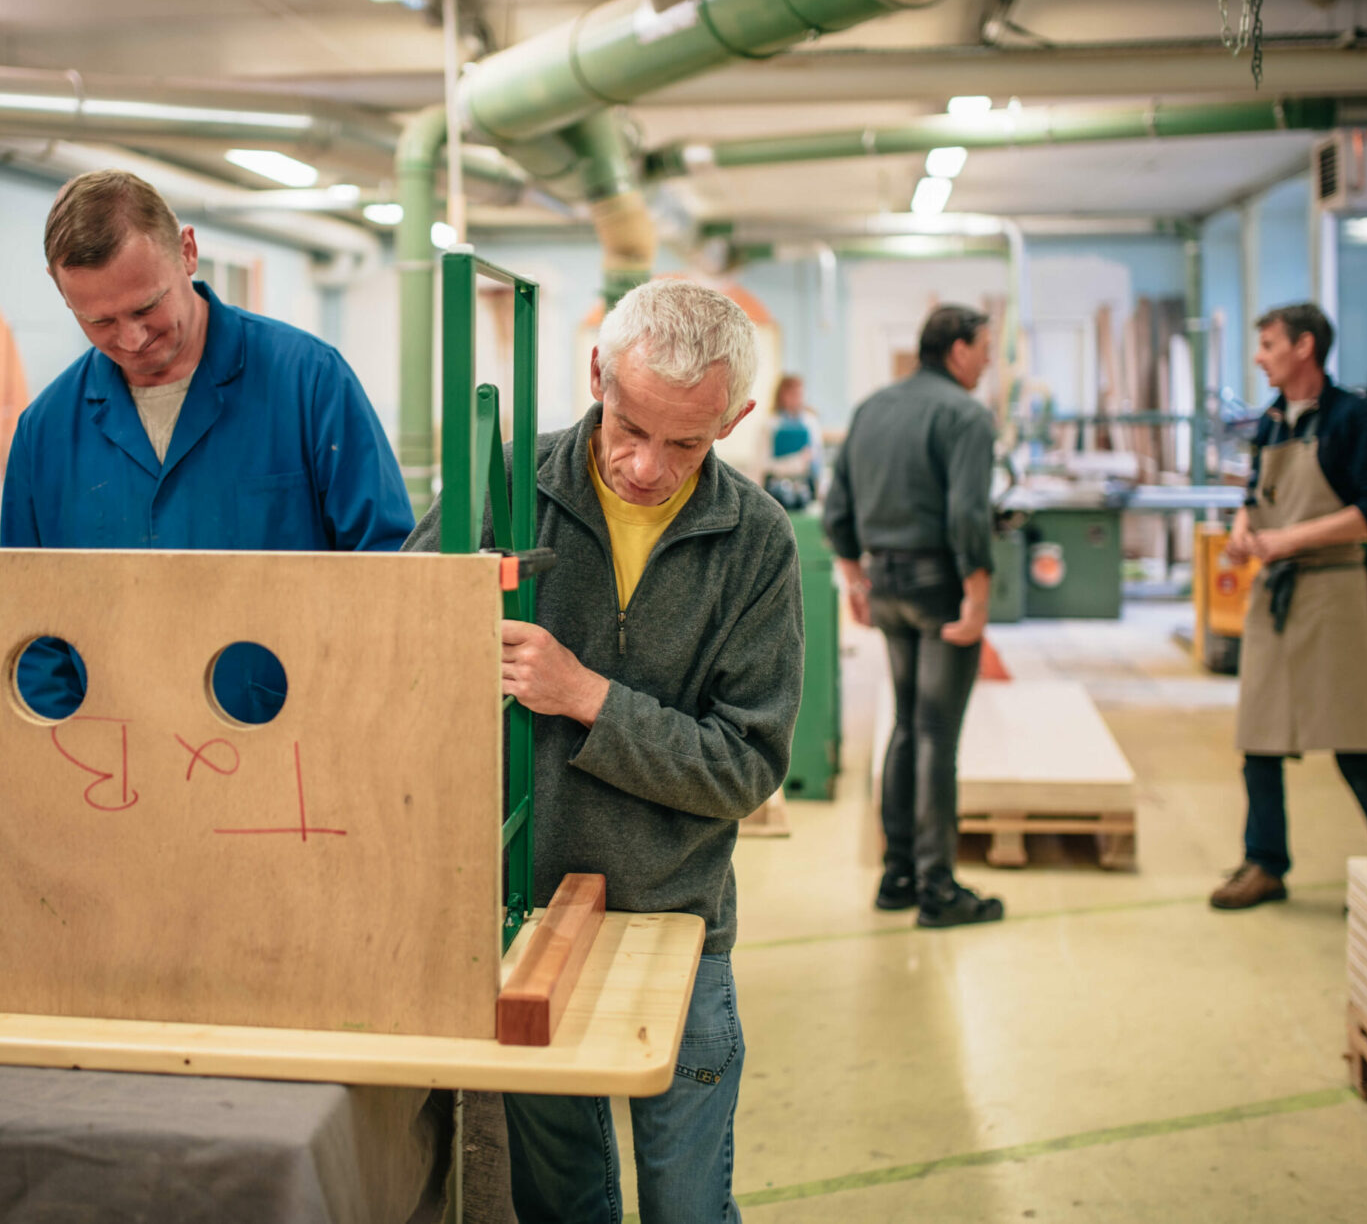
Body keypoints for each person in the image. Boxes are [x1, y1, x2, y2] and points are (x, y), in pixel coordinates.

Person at [407, 278, 803, 1224]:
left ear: (737, 418)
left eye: (686, 443)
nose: (643, 466)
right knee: (564, 1204)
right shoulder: (499, 490)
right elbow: (392, 656)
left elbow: (745, 768)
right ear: (595, 373)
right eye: (629, 425)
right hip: (527, 916)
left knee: (689, 1206)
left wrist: (586, 698)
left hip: (679, 921)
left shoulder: (755, 544)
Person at [1, 170, 413, 720]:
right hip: (112, 763)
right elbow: (30, 627)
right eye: (98, 320)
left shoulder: (308, 382)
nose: (131, 339)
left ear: (188, 253)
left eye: (147, 307)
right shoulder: (45, 432)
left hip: (288, 745)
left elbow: (389, 571)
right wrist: (64, 754)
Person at [1211, 303, 1367, 910]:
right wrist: (1244, 527)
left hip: (1331, 590)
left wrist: (1290, 540)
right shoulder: (1273, 422)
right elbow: (1257, 492)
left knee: (1353, 737)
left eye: (1269, 344)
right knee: (1259, 734)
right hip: (1275, 592)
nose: (1259, 356)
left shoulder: (1357, 421)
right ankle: (1265, 862)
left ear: (1305, 347)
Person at [824, 304, 1005, 929]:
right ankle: (938, 888)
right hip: (940, 586)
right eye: (985, 346)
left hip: (887, 582)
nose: (989, 359)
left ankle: (897, 874)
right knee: (936, 734)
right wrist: (978, 597)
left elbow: (838, 499)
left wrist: (852, 576)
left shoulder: (873, 408)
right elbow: (967, 517)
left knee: (906, 723)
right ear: (956, 349)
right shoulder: (966, 415)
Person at [760, 373, 824, 509]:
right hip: (776, 490)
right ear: (782, 396)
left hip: (805, 488)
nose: (798, 399)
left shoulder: (811, 423)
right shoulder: (770, 424)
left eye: (800, 394)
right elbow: (763, 464)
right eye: (793, 394)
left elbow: (818, 462)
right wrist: (798, 461)